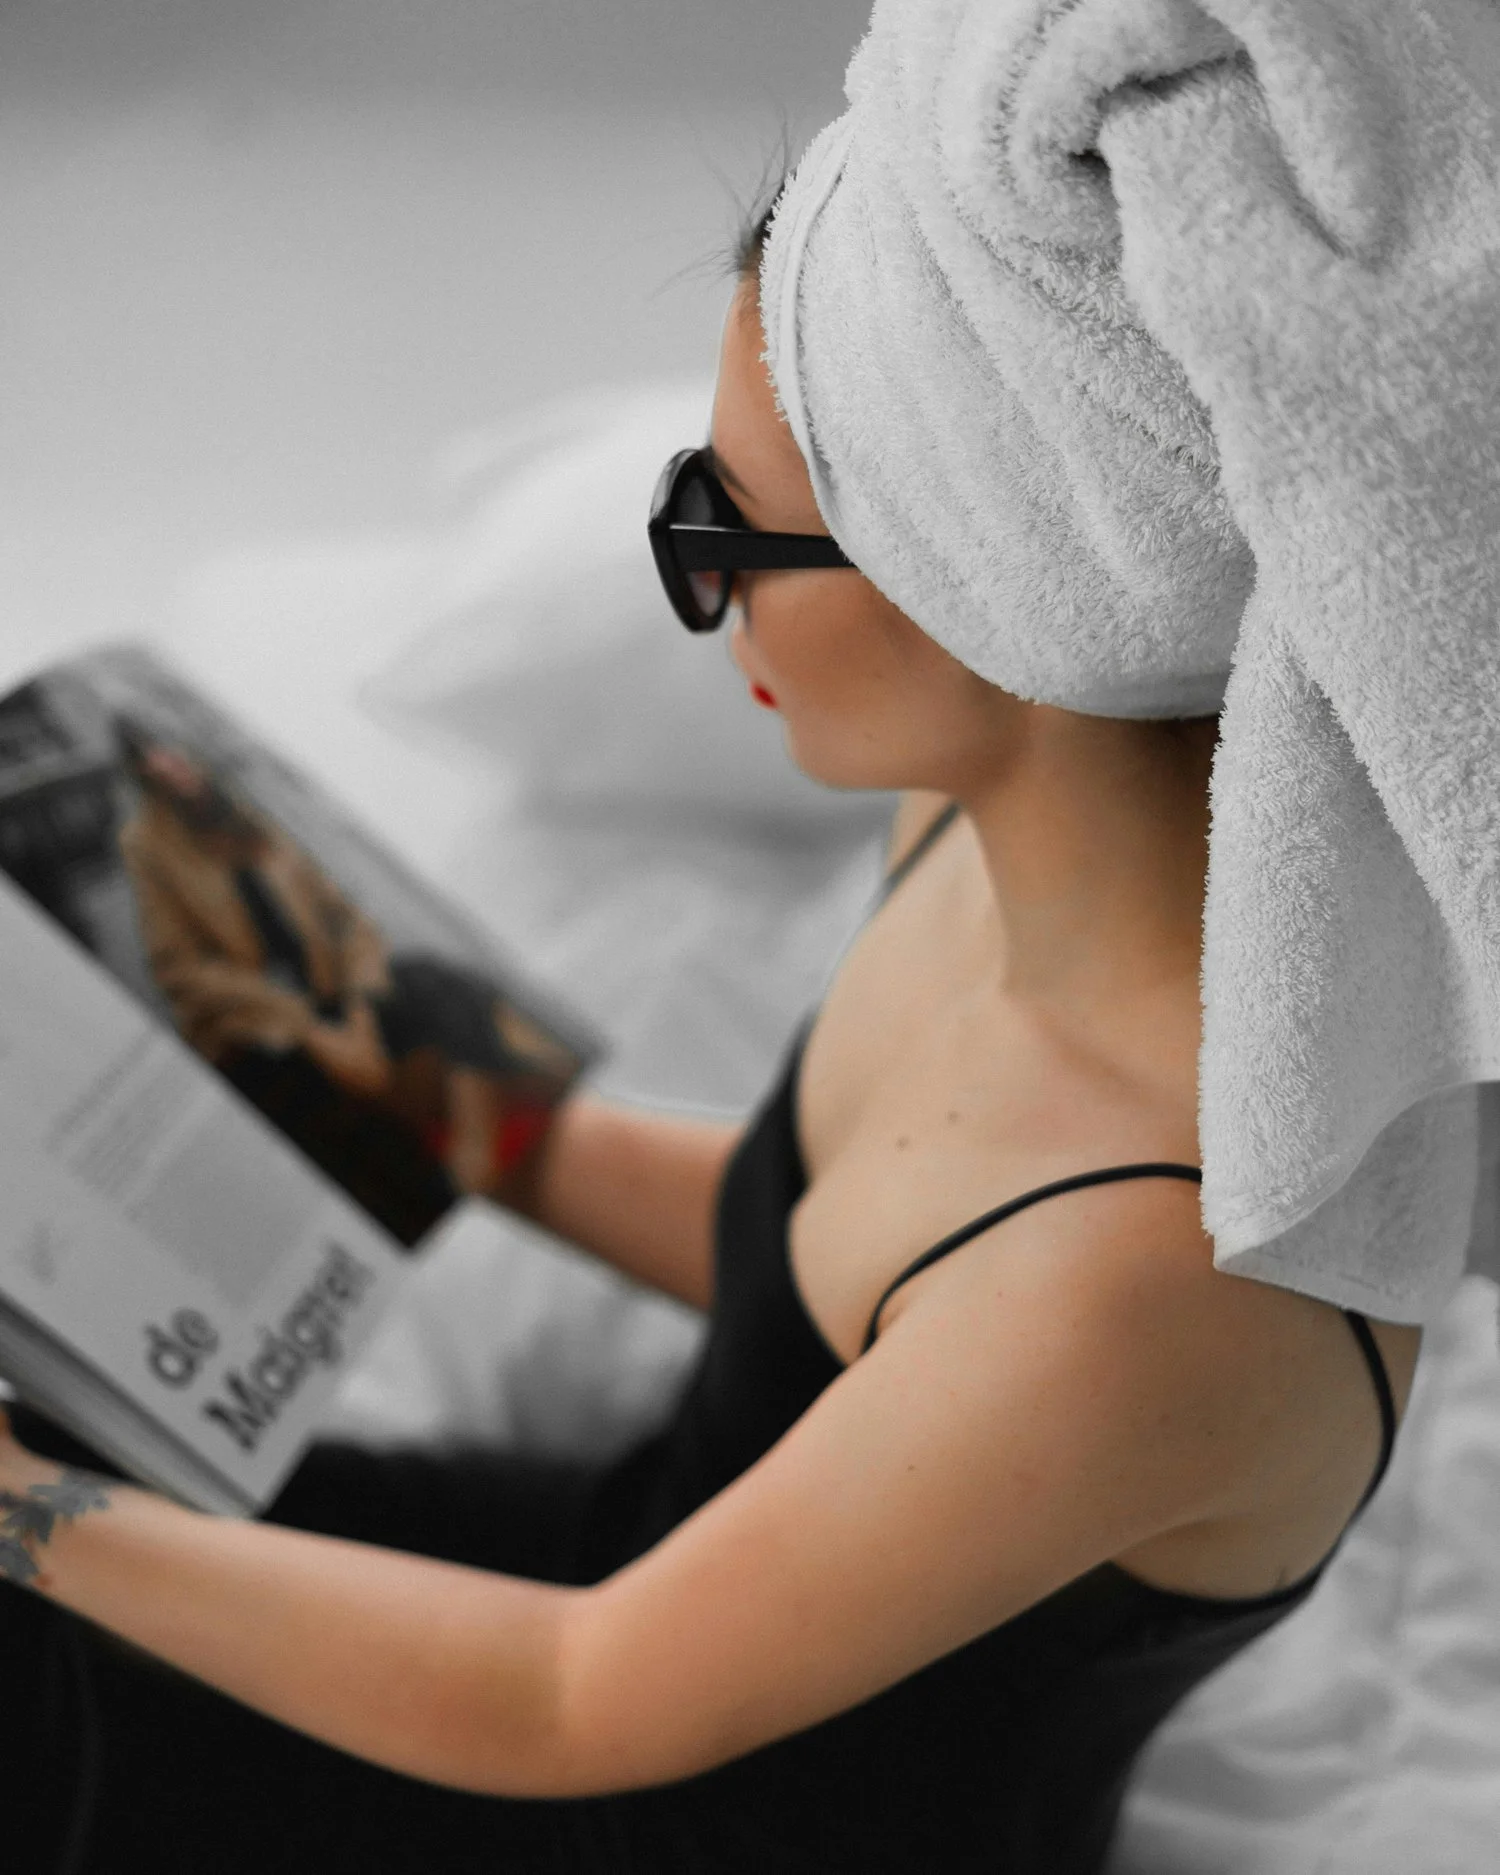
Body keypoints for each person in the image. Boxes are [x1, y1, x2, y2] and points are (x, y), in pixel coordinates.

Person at [0, 212, 1423, 1871]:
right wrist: (412, 1071)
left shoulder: (1169, 1262)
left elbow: (565, 1700)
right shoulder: (980, 833)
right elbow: (836, 1292)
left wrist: (22, 1508)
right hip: (646, 1569)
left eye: (729, 522)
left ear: (1005, 582)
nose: (700, 585)